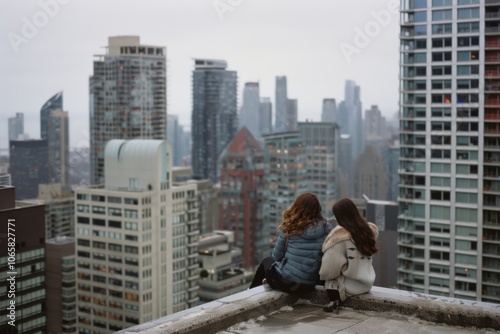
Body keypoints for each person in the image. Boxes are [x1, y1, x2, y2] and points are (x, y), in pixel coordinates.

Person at [249, 192, 333, 294]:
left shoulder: (290, 226)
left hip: (288, 283)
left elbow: (276, 257)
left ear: (296, 207)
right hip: (310, 286)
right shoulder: (327, 228)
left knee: (267, 261)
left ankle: (250, 293)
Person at [319, 198, 379, 313]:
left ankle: (333, 302)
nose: (335, 218)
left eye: (336, 215)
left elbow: (328, 269)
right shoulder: (367, 231)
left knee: (330, 279)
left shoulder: (339, 239)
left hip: (350, 286)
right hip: (367, 283)